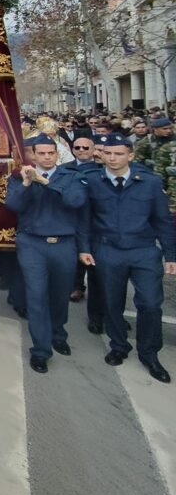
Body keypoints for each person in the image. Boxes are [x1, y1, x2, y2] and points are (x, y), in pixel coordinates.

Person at [79, 133, 176, 383]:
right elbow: (85, 220)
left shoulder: (151, 183)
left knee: (151, 304)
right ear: (101, 155)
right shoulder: (92, 181)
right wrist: (85, 248)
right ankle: (119, 345)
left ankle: (149, 354)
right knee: (112, 303)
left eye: (119, 153)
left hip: (143, 251)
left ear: (130, 155)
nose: (113, 158)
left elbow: (163, 221)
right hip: (108, 251)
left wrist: (170, 254)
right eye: (108, 153)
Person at [5, 134, 88, 373]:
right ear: (34, 155)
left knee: (60, 293)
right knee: (36, 295)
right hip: (33, 243)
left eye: (50, 153)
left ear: (57, 154)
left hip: (63, 244)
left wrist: (46, 182)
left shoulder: (71, 176)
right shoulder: (21, 178)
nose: (46, 157)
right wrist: (27, 184)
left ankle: (58, 333)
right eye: (41, 153)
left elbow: (75, 201)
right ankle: (41, 349)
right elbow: (13, 206)